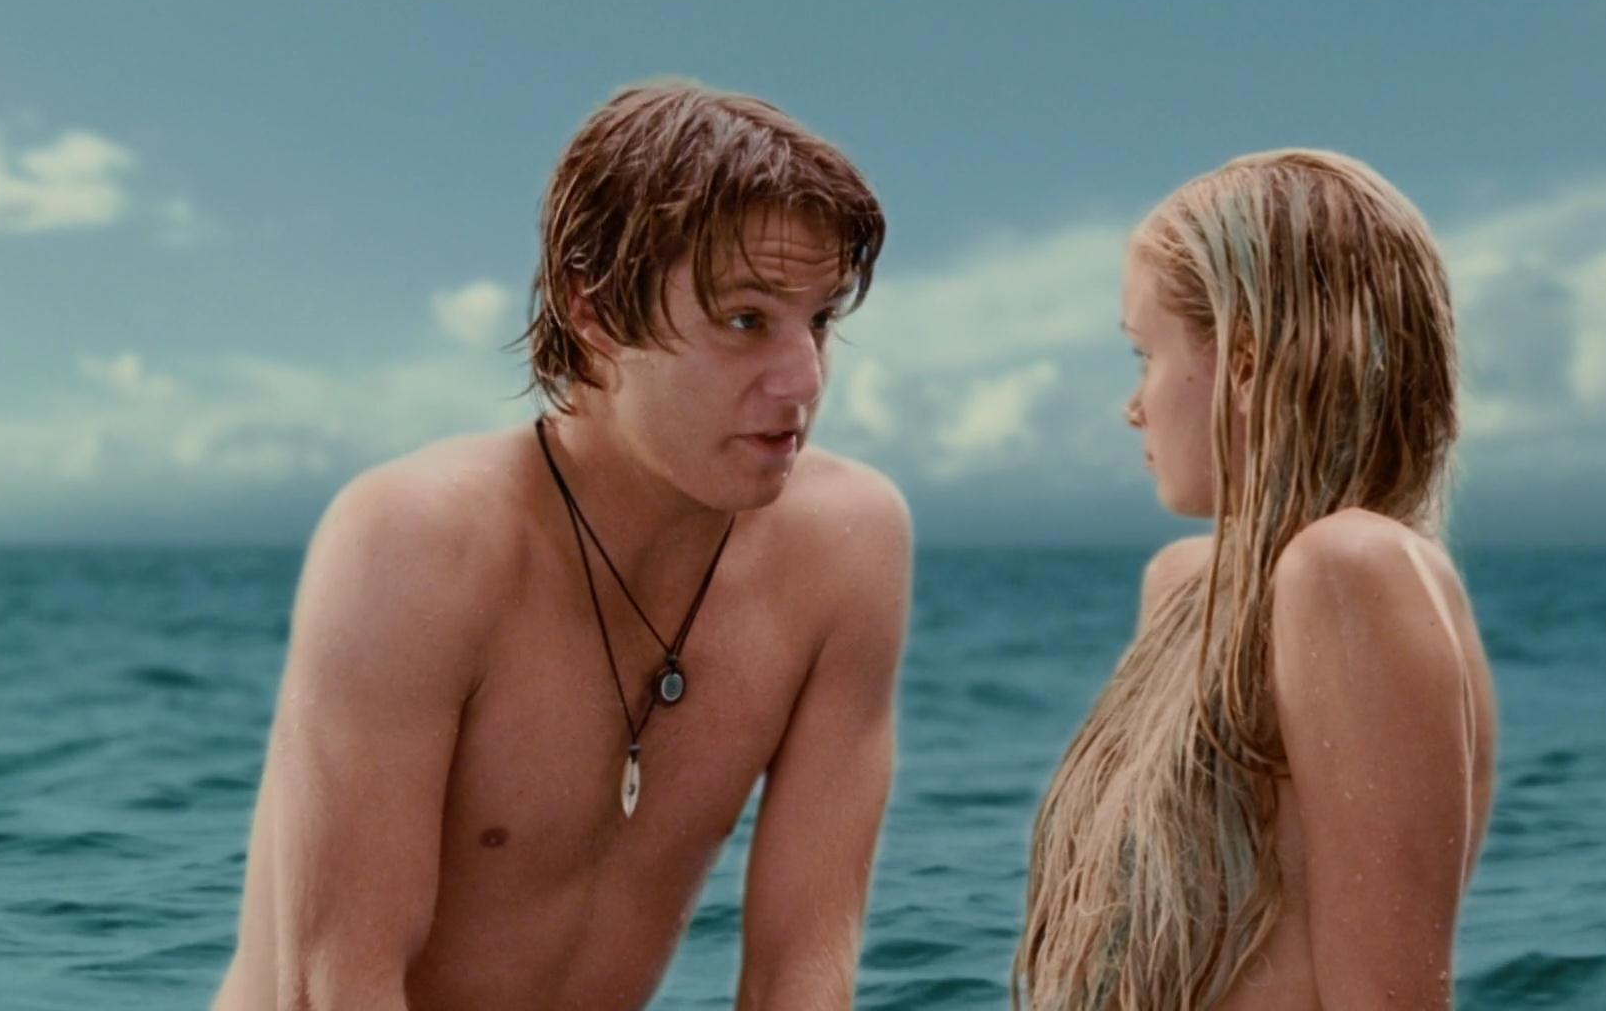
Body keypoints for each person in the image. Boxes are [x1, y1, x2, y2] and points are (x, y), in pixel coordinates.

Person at [211, 82, 911, 1010]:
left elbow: (803, 971)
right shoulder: (417, 544)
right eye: (746, 320)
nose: (805, 379)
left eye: (819, 320)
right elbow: (338, 986)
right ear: (596, 310)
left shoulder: (847, 547)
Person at [1014, 150, 1499, 1010]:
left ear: (1246, 361)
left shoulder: (1351, 570)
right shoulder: (1188, 591)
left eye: (1145, 354)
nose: (1134, 405)